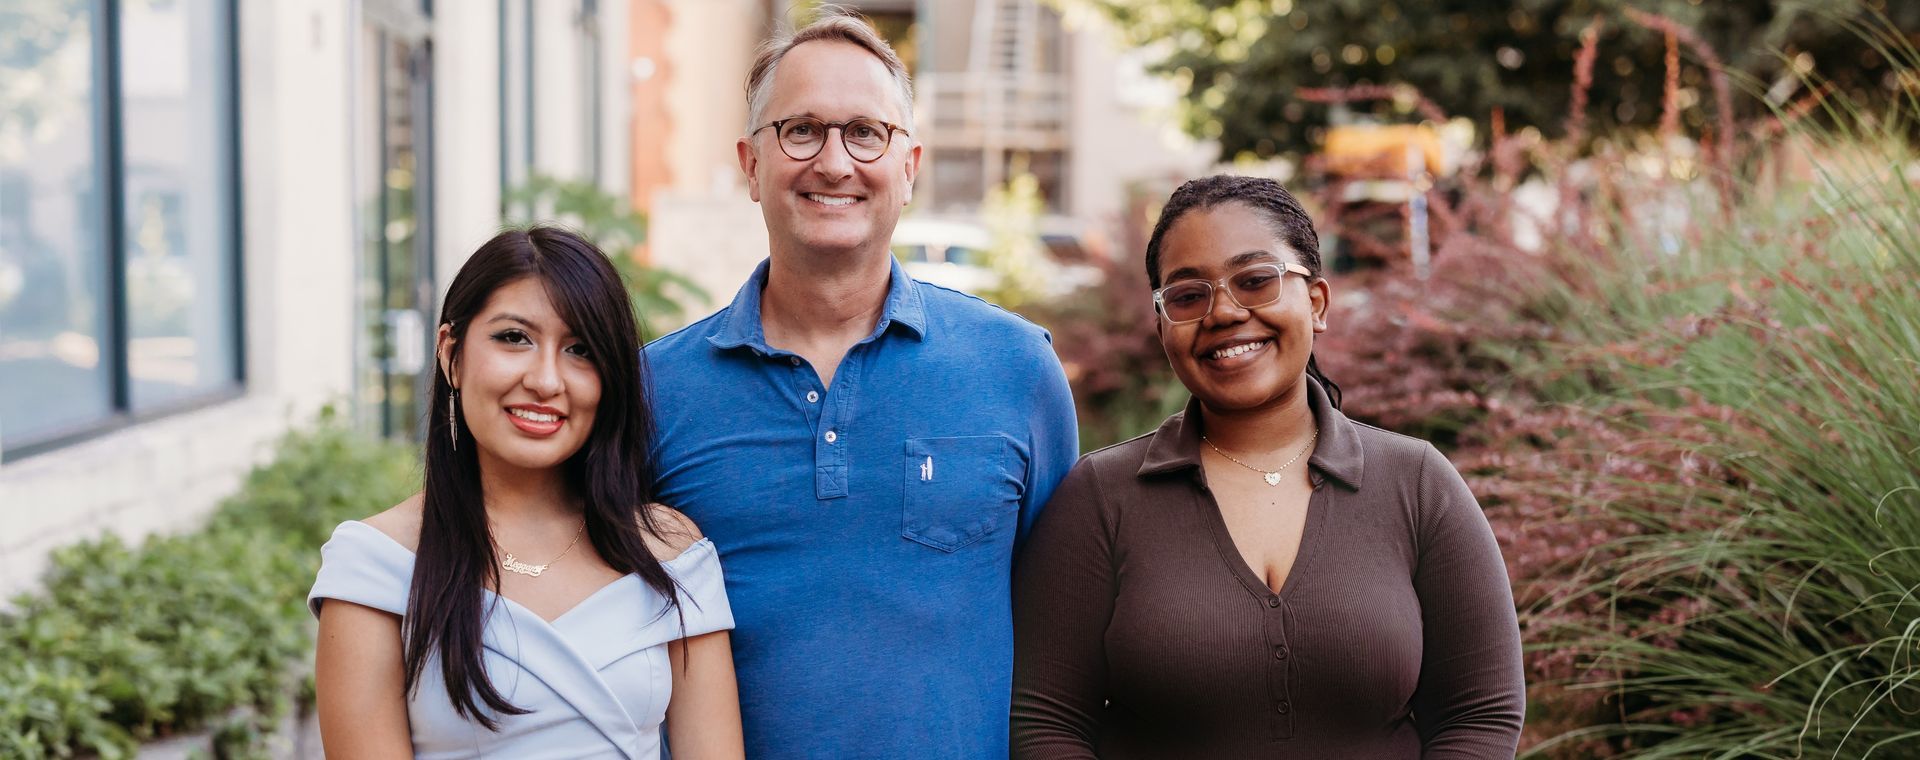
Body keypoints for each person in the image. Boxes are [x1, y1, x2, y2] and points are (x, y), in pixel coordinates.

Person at [643, 8, 1079, 758]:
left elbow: (1068, 641)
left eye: (865, 132)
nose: (835, 163)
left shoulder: (1016, 368)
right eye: (801, 130)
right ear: (752, 165)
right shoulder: (656, 389)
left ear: (909, 166)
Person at [1011, 175, 1525, 758]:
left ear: (1317, 301)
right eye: (1187, 295)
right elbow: (1046, 722)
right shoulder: (1101, 498)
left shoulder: (1419, 485)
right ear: (1162, 326)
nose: (1224, 312)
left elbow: (1480, 713)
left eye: (1256, 281)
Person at [309, 226, 743, 760]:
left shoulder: (670, 551)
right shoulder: (375, 568)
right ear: (452, 354)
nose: (545, 380)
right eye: (514, 338)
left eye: (581, 349)